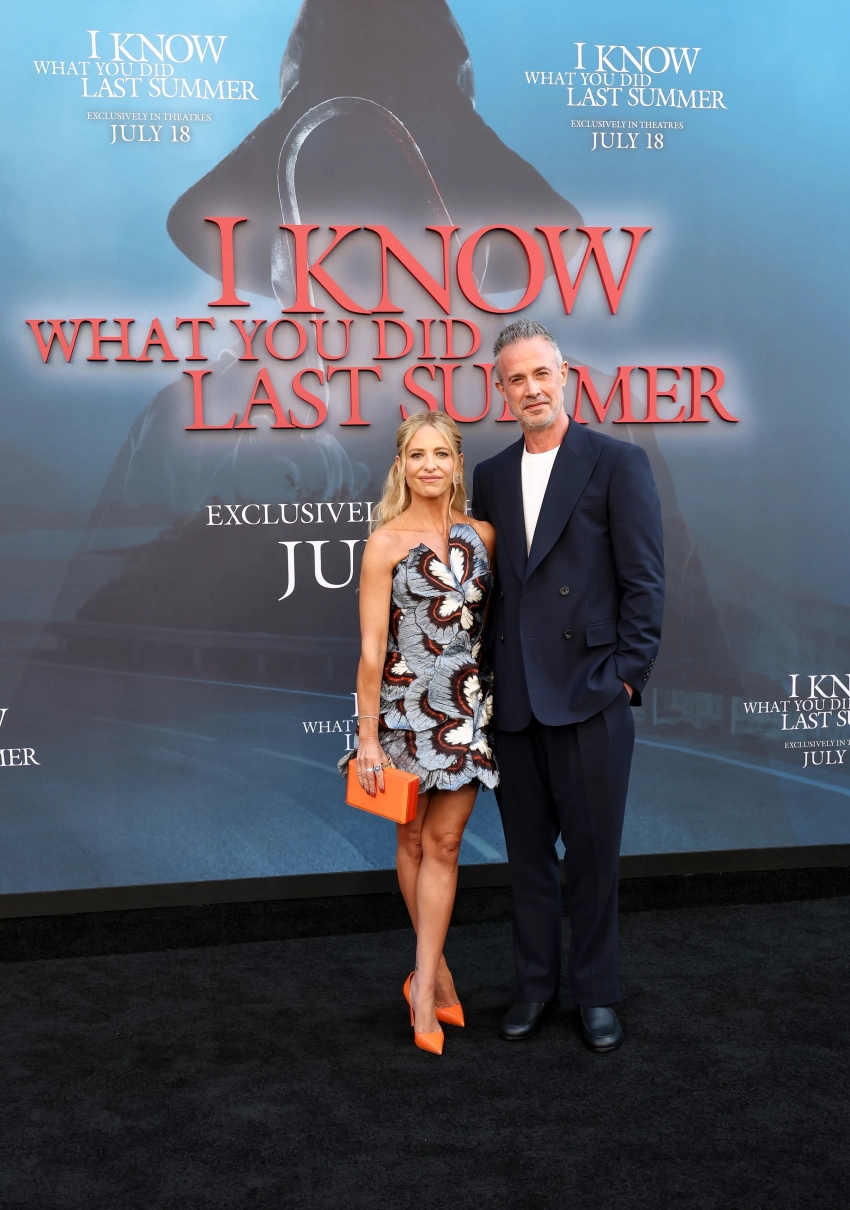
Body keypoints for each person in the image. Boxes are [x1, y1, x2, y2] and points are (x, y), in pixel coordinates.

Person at [472, 320, 665, 1052]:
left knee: (592, 861)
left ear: (565, 377)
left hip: (590, 695)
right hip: (517, 702)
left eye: (540, 374)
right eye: (516, 379)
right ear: (501, 390)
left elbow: (645, 581)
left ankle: (596, 994)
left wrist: (626, 679)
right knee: (527, 862)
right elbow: (495, 591)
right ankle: (533, 987)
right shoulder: (490, 475)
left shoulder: (616, 461)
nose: (531, 388)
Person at [351, 411, 498, 1055]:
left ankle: (424, 979)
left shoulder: (484, 536)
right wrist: (368, 738)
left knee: (446, 842)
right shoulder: (384, 543)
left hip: (465, 712)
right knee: (411, 839)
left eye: (441, 454)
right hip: (402, 714)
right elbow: (370, 649)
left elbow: (494, 628)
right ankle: (431, 980)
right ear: (401, 466)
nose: (429, 465)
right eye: (417, 455)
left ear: (457, 464)